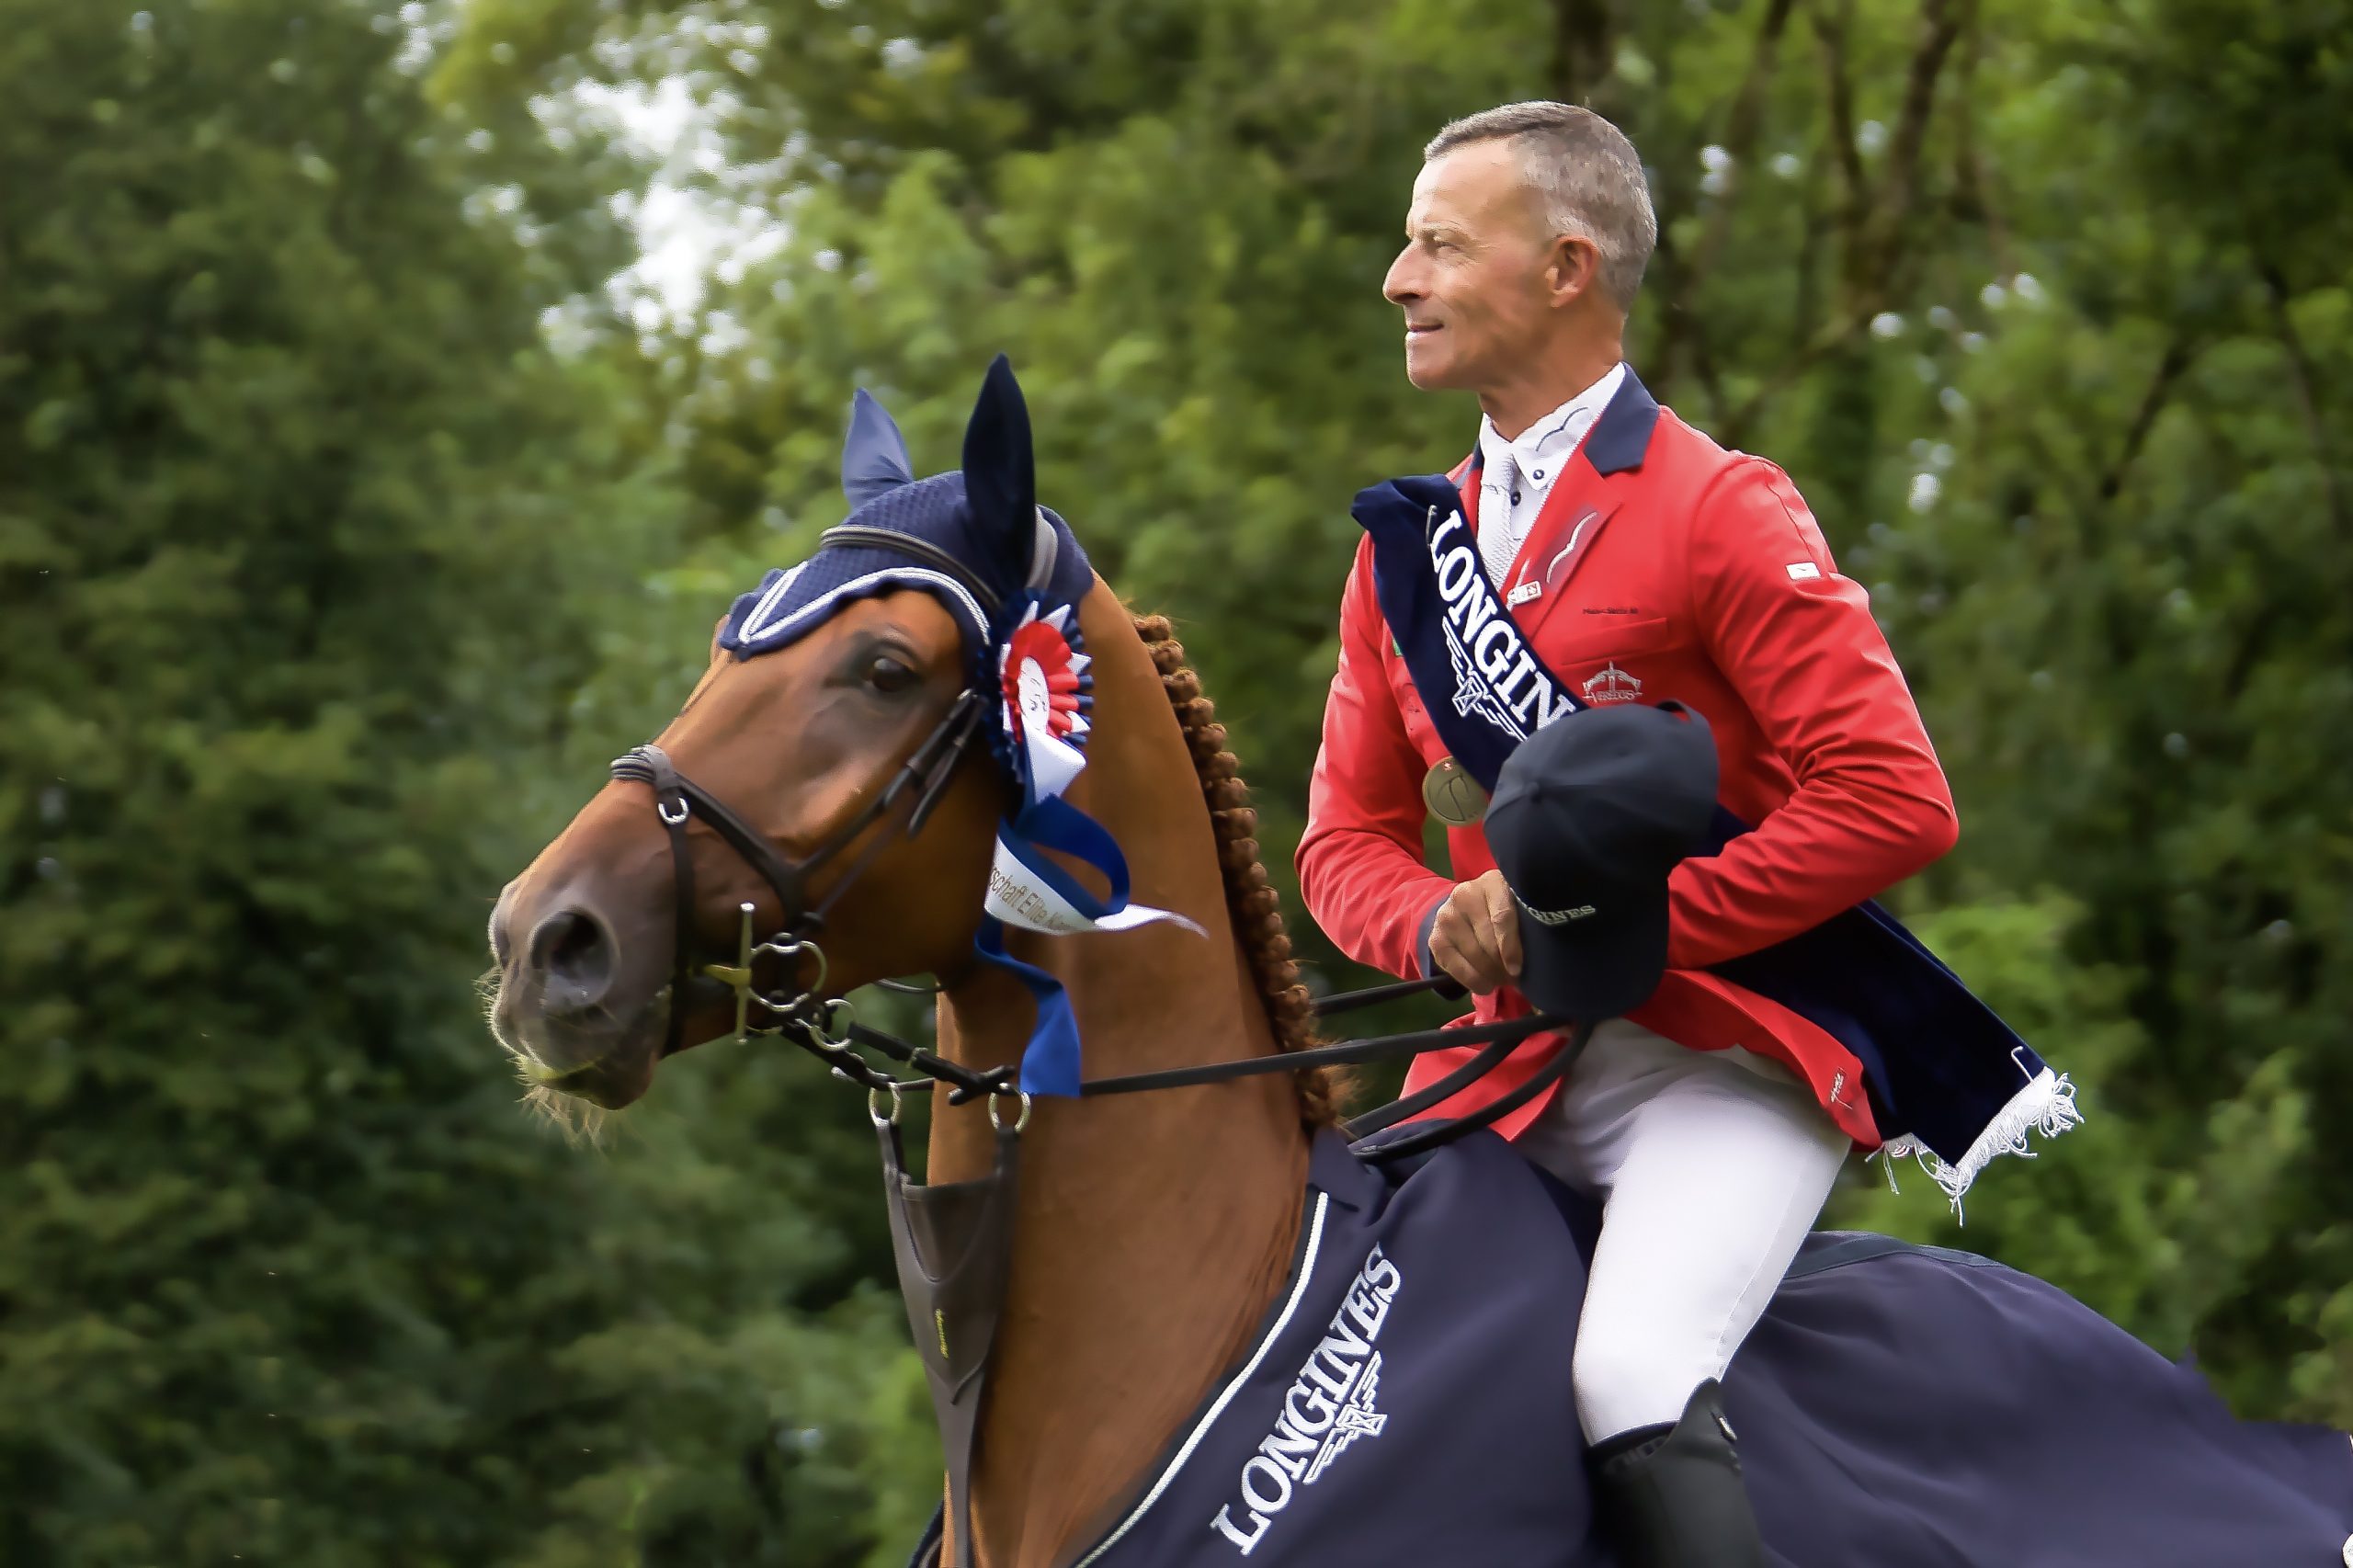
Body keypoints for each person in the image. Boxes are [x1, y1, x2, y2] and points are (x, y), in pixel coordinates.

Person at [1296, 101, 1982, 1567]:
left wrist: (1635, 931)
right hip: (1499, 1073)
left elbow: (1892, 795)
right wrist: (1434, 922)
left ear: (1566, 268)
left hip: (1718, 1066)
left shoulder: (1719, 506)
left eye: (1438, 245)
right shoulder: (1403, 557)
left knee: (1630, 1371)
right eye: (1408, 246)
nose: (1398, 280)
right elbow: (1341, 840)